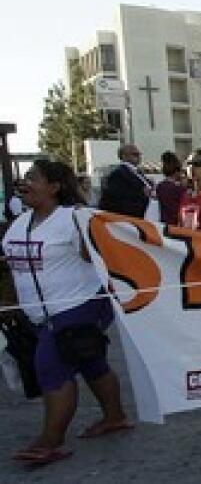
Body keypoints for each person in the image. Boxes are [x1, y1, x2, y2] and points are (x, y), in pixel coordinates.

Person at [2, 160, 131, 467]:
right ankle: (115, 417)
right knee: (90, 361)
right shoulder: (21, 221)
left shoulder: (73, 219)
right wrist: (9, 304)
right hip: (38, 313)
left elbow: (99, 255)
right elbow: (10, 264)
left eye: (33, 178)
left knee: (51, 365)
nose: (25, 183)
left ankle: (51, 440)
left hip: (78, 305)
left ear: (55, 187)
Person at [98, 144, 153, 219]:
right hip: (130, 216)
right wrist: (143, 193)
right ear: (124, 156)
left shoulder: (137, 172)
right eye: (135, 154)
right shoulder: (119, 173)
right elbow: (119, 197)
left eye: (139, 154)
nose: (139, 157)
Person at [155, 152, 187, 226]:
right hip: (177, 224)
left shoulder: (160, 186)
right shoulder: (180, 189)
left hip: (164, 223)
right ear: (177, 171)